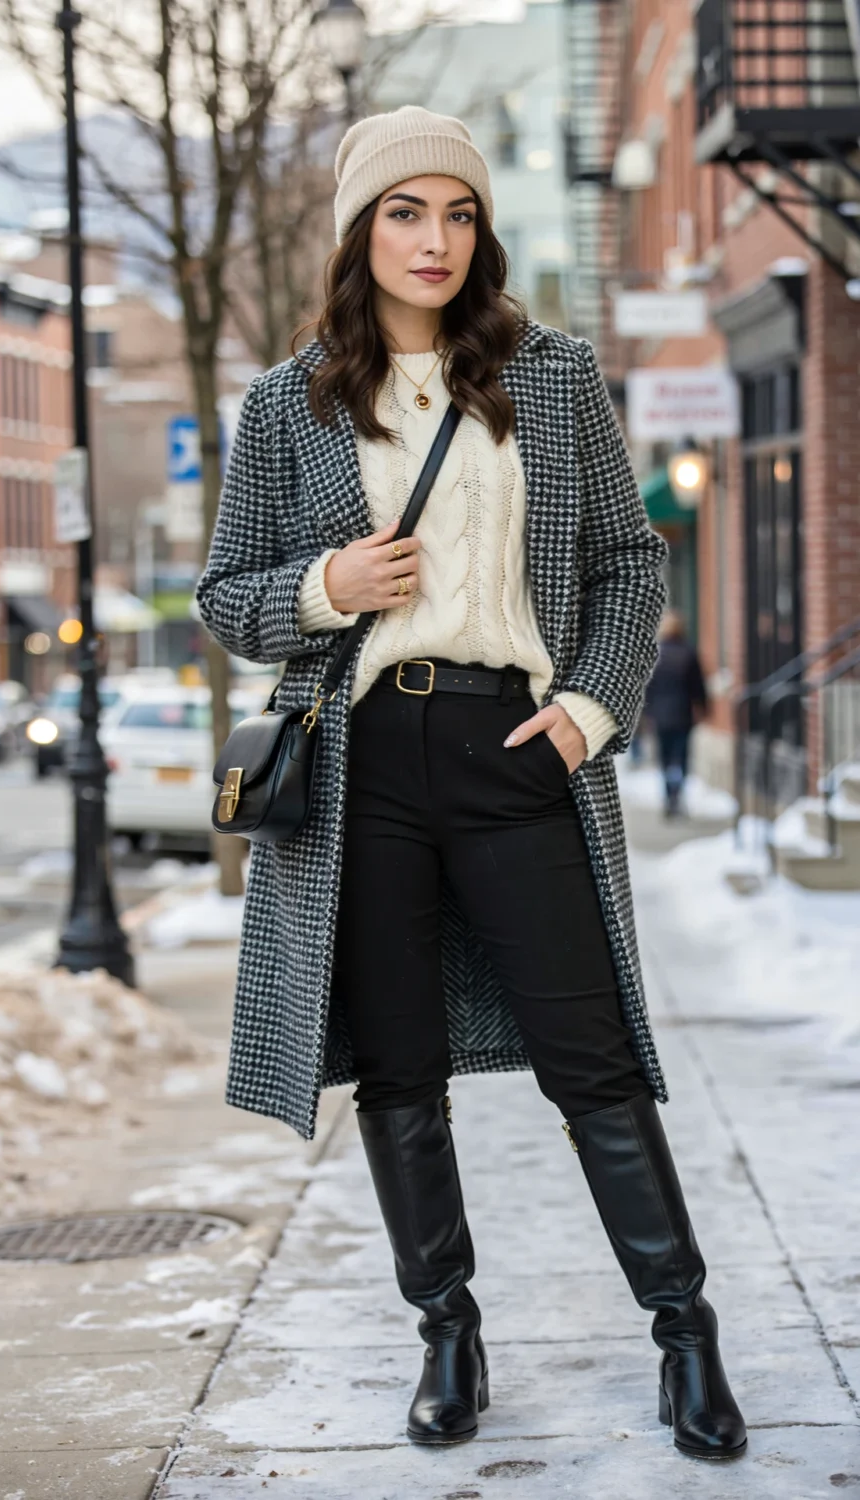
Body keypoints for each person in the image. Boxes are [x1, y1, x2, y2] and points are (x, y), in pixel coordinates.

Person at [196, 106, 745, 1461]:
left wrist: (590, 708)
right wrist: (326, 586)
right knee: (398, 1067)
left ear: (482, 230)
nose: (434, 241)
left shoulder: (551, 377)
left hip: (518, 750)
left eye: (457, 214)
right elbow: (224, 597)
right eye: (404, 212)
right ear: (358, 229)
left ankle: (684, 1331)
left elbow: (630, 560)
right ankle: (446, 1327)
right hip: (364, 764)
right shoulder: (287, 401)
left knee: (596, 1058)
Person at [645, 611, 708, 817]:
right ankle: (677, 794)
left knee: (665, 757)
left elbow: (647, 688)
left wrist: (647, 712)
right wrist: (704, 708)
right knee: (680, 757)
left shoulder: (656, 654)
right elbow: (698, 687)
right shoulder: (688, 653)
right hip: (682, 714)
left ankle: (668, 797)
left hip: (661, 715)